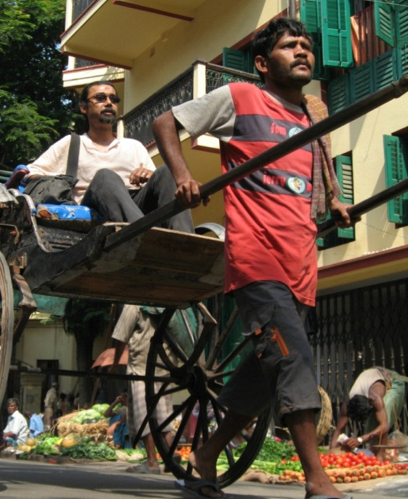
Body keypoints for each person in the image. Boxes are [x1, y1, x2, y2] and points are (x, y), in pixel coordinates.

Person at [152, 17, 356, 499]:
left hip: (302, 263)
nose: (303, 51)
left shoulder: (311, 116)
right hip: (256, 258)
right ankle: (317, 479)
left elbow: (320, 174)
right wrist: (183, 175)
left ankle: (205, 454)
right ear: (263, 63)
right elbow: (166, 123)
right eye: (290, 46)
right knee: (293, 358)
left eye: (306, 45)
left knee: (266, 370)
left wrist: (337, 200)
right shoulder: (241, 98)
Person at [25, 81, 193, 233]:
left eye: (113, 99)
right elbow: (31, 172)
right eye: (100, 98)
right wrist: (63, 183)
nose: (108, 103)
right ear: (84, 108)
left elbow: (158, 182)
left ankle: (186, 239)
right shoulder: (72, 143)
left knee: (166, 171)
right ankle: (146, 237)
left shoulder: (133, 145)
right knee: (105, 177)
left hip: (134, 204)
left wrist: (148, 175)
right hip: (94, 208)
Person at [111, 305, 192, 474]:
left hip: (141, 367)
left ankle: (152, 461)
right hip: (164, 367)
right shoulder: (167, 303)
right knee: (162, 414)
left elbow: (120, 336)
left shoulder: (134, 305)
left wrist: (116, 362)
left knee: (143, 415)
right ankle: (170, 453)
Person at [330, 366, 406, 458]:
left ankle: (382, 456)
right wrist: (330, 454)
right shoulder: (348, 404)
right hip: (373, 376)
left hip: (393, 381)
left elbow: (384, 426)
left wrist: (360, 439)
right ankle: (375, 452)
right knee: (372, 428)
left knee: (386, 412)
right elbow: (338, 429)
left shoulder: (374, 396)